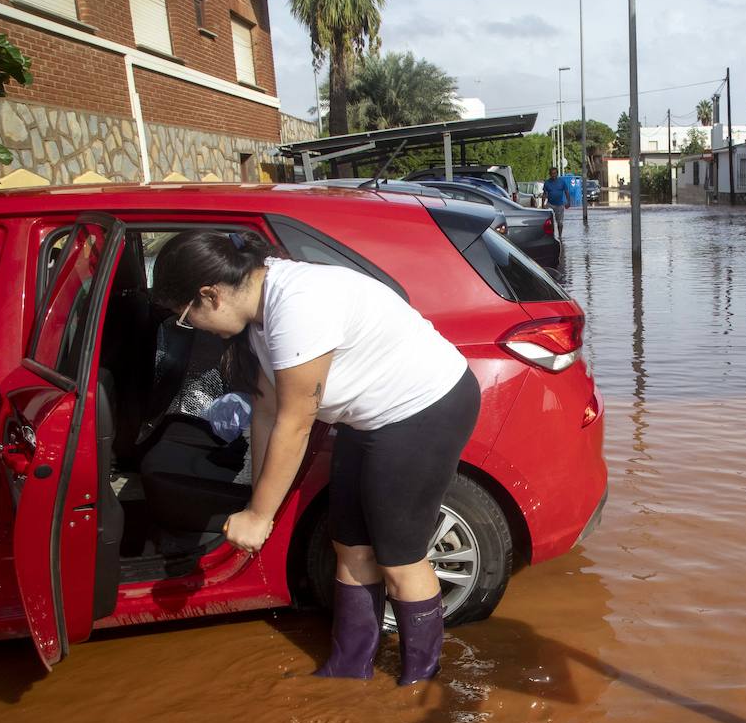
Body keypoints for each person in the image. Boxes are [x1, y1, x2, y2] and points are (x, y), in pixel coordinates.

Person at [150, 230, 480, 685]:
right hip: (367, 418)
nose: (192, 328)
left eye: (186, 318)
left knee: (400, 558)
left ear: (211, 295)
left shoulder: (297, 304)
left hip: (423, 408)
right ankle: (349, 670)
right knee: (349, 545)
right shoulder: (258, 315)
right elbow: (266, 411)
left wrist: (259, 515)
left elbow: (296, 421)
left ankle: (419, 683)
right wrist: (258, 502)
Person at [541, 165, 568, 238]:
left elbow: (566, 192)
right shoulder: (547, 183)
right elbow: (544, 194)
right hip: (550, 205)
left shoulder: (562, 182)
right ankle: (551, 235)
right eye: (552, 174)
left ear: (557, 174)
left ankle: (560, 236)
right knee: (549, 222)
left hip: (560, 205)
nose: (553, 175)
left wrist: (568, 202)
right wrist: (543, 204)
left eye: (555, 173)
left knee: (560, 222)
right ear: (550, 174)